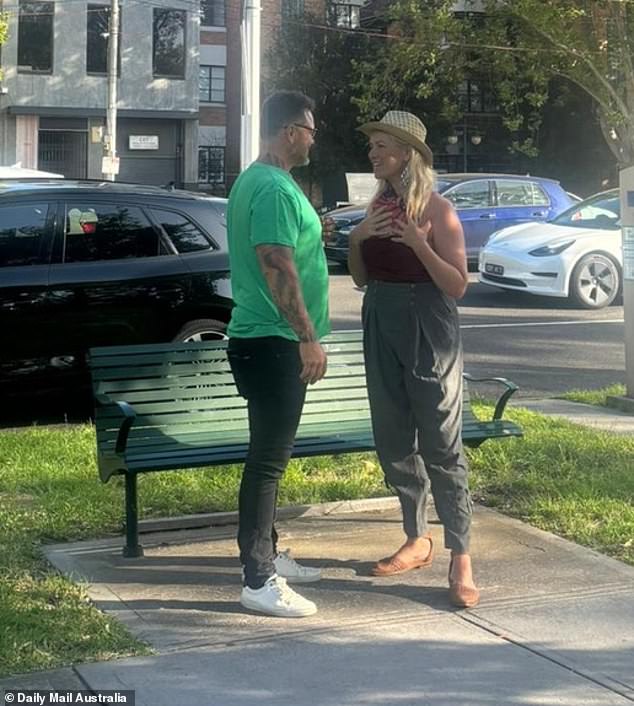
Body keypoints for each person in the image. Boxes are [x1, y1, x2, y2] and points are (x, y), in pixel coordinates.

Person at [347, 111, 479, 608]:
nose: (373, 153)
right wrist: (360, 237)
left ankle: (460, 554)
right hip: (379, 316)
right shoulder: (376, 209)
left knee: (442, 442)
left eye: (382, 146)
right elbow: (361, 278)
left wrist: (421, 245)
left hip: (429, 322)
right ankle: (416, 536)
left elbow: (457, 285)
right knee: (393, 434)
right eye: (373, 145)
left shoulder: (438, 209)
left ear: (407, 155)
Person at [226, 91, 330, 618]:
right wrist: (307, 336)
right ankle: (258, 579)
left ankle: (269, 554)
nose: (314, 137)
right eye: (310, 129)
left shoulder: (265, 180)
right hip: (273, 342)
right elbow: (274, 262)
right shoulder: (269, 185)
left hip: (263, 340)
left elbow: (287, 250)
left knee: (268, 456)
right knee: (267, 463)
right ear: (291, 130)